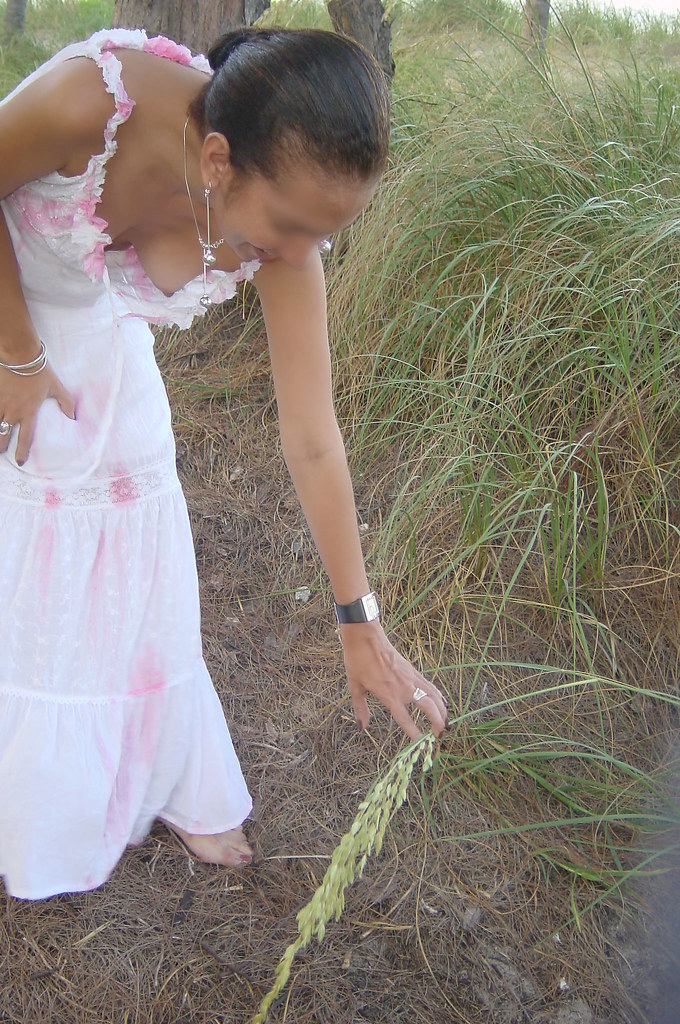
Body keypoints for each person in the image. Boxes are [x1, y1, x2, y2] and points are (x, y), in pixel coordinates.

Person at [0, 26, 448, 901]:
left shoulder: (290, 243)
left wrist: (360, 621)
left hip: (94, 329)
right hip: (8, 302)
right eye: (290, 225)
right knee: (37, 506)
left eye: (330, 233)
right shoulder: (90, 100)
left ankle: (168, 765)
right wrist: (15, 359)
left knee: (136, 486)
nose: (302, 252)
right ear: (215, 160)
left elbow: (312, 437)